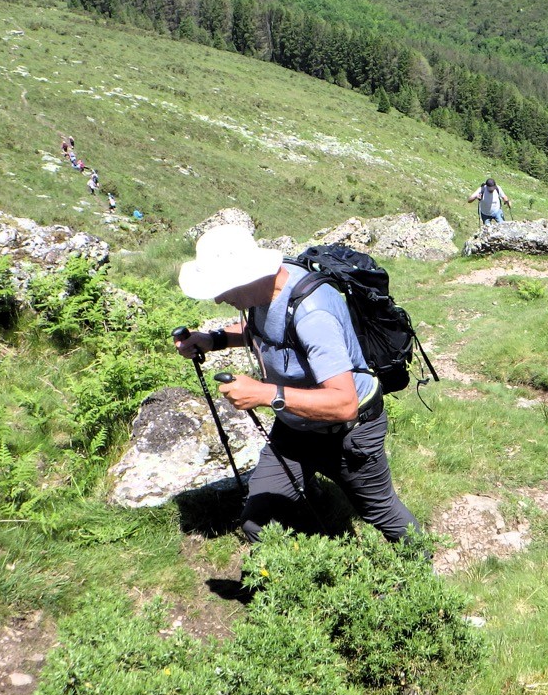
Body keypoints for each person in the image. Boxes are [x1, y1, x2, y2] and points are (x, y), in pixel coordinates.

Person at [174, 224, 420, 544]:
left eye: (223, 288)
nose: (219, 299)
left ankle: (421, 566)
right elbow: (265, 330)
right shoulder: (266, 289)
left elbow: (344, 404)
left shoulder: (314, 315)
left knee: (381, 511)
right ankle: (299, 557)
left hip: (350, 433)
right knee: (256, 525)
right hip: (295, 428)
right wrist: (213, 339)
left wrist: (264, 394)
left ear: (247, 276)